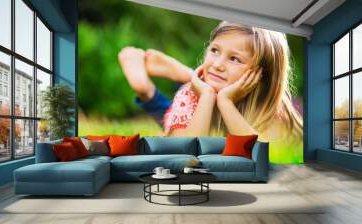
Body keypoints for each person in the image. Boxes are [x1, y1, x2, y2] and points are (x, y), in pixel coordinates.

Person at [118, 21, 303, 147]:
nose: (217, 64)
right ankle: (147, 88)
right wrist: (206, 95)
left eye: (235, 59)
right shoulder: (191, 95)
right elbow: (183, 147)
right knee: (172, 111)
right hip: (190, 108)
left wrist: (225, 102)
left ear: (262, 75)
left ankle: (186, 74)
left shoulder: (272, 113)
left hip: (207, 96)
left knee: (202, 88)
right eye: (214, 50)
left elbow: (259, 152)